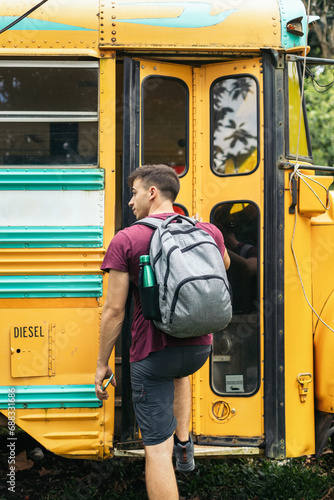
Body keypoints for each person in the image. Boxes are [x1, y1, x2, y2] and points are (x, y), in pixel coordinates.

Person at [94, 164, 230, 500]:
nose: (130, 201)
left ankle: (172, 447)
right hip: (199, 350)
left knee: (156, 451)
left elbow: (114, 310)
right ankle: (184, 442)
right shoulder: (206, 230)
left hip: (153, 355)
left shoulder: (127, 239)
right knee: (178, 372)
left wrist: (102, 363)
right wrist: (194, 234)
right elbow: (224, 266)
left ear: (152, 193)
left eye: (134, 192)